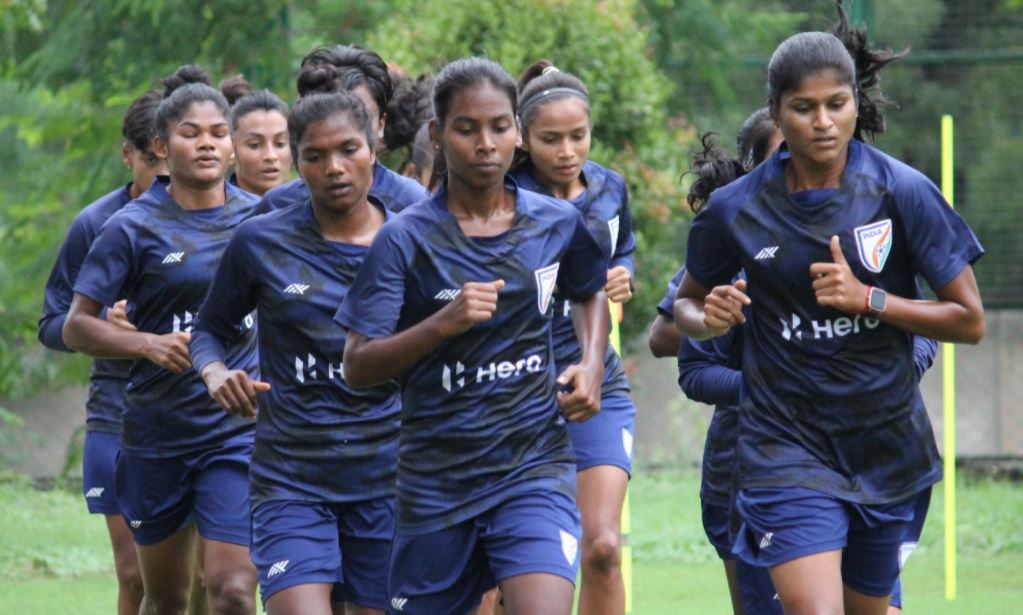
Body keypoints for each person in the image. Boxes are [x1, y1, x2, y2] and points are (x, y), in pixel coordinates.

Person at [671, 2, 986, 613]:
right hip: (783, 448)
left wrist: (869, 298)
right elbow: (682, 309)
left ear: (854, 105)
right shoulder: (734, 210)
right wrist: (705, 313)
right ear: (777, 113)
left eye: (835, 105)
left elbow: (968, 321)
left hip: (885, 445)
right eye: (803, 108)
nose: (822, 122)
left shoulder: (903, 191)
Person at [336, 57, 610, 615]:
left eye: (499, 126)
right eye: (467, 129)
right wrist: (444, 322)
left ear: (517, 132)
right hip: (436, 482)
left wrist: (591, 363)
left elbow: (589, 289)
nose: (486, 143)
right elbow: (358, 365)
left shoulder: (555, 222)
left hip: (532, 465)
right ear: (437, 136)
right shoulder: (404, 240)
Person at [189, 91, 399, 615]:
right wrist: (215, 373)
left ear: (373, 148)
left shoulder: (413, 237)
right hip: (292, 478)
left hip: (389, 477)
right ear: (296, 161)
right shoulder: (261, 239)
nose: (334, 168)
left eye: (348, 149)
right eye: (315, 155)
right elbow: (208, 329)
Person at [63, 64, 260, 615]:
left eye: (218, 133)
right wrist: (146, 345)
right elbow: (77, 324)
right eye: (190, 133)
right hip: (156, 437)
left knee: (234, 591)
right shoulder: (129, 227)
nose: (206, 144)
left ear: (231, 145)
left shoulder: (260, 221)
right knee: (167, 599)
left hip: (235, 432)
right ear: (161, 145)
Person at [508, 59, 637, 615]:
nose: (566, 151)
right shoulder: (505, 198)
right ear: (522, 138)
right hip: (516, 393)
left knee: (603, 547)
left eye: (577, 136)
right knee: (505, 575)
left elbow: (622, 246)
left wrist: (622, 272)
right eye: (550, 139)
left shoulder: (610, 188)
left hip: (596, 383)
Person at [37, 88, 166, 615]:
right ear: (128, 155)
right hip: (117, 414)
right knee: (136, 576)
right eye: (151, 159)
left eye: (168, 157)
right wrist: (98, 325)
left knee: (202, 580)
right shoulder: (95, 224)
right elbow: (52, 324)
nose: (163, 171)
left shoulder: (219, 219)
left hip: (197, 421)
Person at [254, 44, 428, 214]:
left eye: (361, 117)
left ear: (381, 124)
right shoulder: (276, 208)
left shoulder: (413, 205)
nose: (343, 128)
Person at [219, 76, 292, 196]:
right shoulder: (216, 210)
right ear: (231, 148)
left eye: (280, 144)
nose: (270, 156)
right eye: (255, 145)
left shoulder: (311, 209)